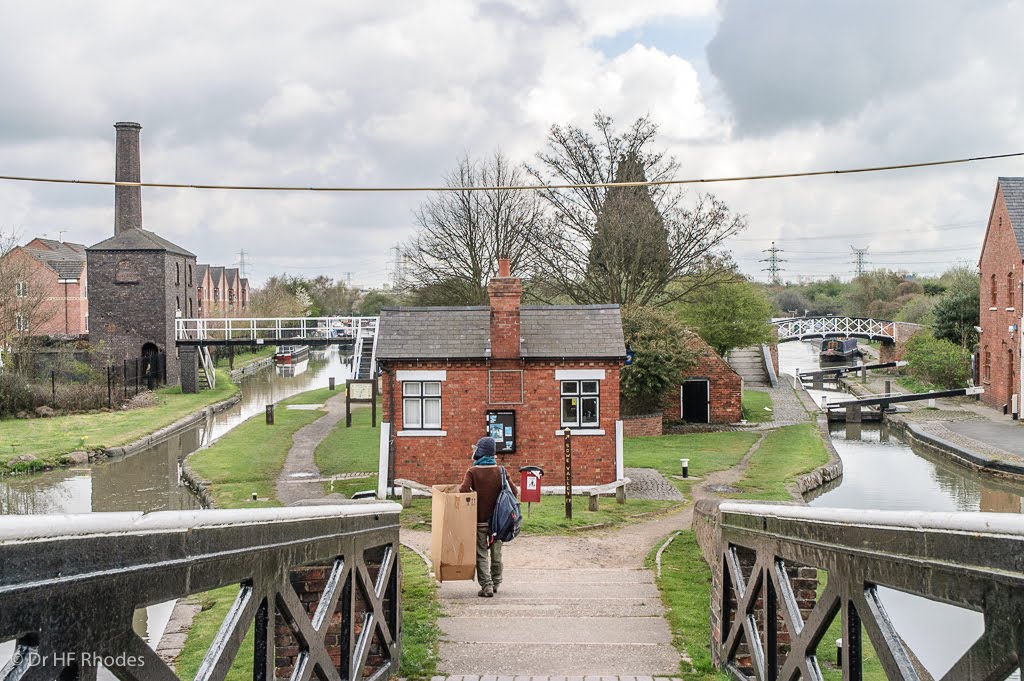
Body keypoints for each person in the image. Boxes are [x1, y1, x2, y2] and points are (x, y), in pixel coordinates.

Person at [459, 436, 518, 597]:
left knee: (481, 553)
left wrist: (475, 494)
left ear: (480, 452)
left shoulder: (472, 471)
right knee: (497, 553)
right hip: (499, 522)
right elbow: (514, 492)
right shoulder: (501, 471)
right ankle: (497, 581)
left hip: (480, 521)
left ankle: (486, 586)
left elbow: (462, 491)